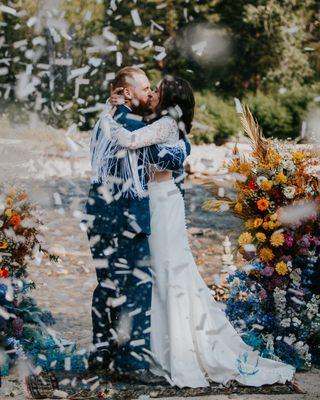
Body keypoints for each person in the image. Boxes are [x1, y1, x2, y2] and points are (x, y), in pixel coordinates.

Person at [107, 75, 296, 388]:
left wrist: (110, 115)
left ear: (169, 99)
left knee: (166, 271)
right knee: (162, 271)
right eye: (151, 88)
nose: (152, 93)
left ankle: (172, 349)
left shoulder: (166, 123)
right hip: (159, 201)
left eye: (158, 90)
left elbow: (128, 141)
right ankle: (155, 345)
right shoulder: (163, 123)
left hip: (161, 202)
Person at [84, 67, 189, 382]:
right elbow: (171, 160)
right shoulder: (131, 126)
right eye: (145, 88)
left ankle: (102, 352)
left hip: (98, 214)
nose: (150, 94)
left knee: (107, 284)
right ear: (127, 92)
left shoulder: (106, 122)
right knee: (138, 287)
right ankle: (133, 363)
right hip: (126, 216)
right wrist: (183, 147)